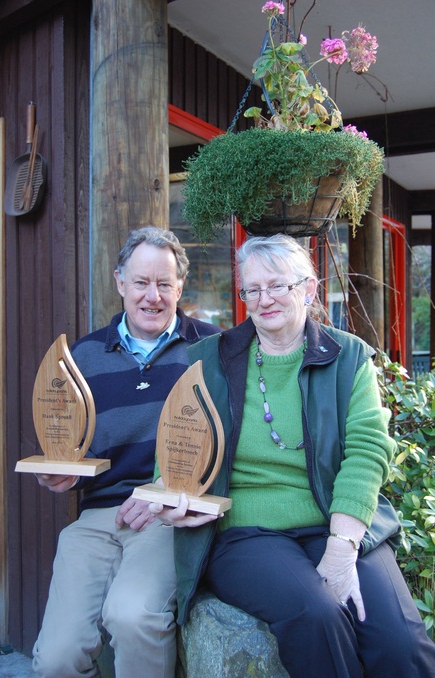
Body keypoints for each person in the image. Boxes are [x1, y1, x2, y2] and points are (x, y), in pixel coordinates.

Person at [149, 234, 435, 677]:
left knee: (400, 641)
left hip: (336, 521)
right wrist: (174, 500)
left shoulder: (347, 357)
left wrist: (342, 549)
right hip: (247, 533)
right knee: (318, 617)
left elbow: (367, 449)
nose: (264, 299)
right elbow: (175, 444)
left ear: (308, 288)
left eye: (278, 285)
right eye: (252, 289)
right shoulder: (212, 360)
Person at [32, 226, 219, 678]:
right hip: (97, 517)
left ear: (179, 288)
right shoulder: (85, 355)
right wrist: (64, 471)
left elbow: (228, 447)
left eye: (163, 284)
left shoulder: (212, 350)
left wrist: (161, 492)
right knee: (57, 657)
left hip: (168, 514)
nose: (152, 297)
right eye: (140, 283)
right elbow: (77, 445)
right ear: (120, 283)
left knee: (133, 616)